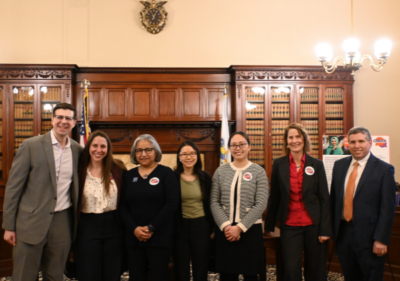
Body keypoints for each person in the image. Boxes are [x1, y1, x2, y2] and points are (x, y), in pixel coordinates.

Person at [2, 103, 83, 281]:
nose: (63, 121)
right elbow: (14, 187)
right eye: (59, 117)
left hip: (62, 223)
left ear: (74, 122)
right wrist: (9, 226)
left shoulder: (78, 150)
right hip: (30, 222)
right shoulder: (30, 146)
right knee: (24, 275)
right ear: (52, 119)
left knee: (55, 275)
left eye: (68, 118)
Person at [264, 123, 332, 281]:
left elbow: (324, 198)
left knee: (315, 269)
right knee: (291, 269)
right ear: (286, 141)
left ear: (304, 139)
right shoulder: (279, 164)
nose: (294, 140)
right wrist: (269, 226)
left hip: (314, 225)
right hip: (289, 225)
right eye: (291, 137)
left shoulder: (317, 164)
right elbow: (274, 197)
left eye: (298, 137)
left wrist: (325, 229)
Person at [330, 126, 396, 281]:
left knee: (371, 277)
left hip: (370, 237)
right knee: (350, 276)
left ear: (370, 142)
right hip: (343, 234)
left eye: (361, 141)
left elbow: (388, 208)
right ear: (348, 145)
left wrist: (381, 239)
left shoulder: (384, 170)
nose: (356, 145)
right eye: (352, 142)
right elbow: (334, 200)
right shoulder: (339, 166)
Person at [119, 134, 179, 281]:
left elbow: (171, 204)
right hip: (135, 238)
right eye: (139, 150)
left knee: (159, 276)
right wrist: (135, 229)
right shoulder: (128, 176)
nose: (143, 154)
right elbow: (122, 206)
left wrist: (151, 227)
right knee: (136, 276)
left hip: (159, 236)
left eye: (148, 150)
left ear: (156, 151)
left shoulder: (166, 173)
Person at [210, 131, 268, 281]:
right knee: (227, 275)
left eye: (242, 144)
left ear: (249, 147)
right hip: (226, 231)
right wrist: (227, 226)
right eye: (234, 145)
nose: (238, 148)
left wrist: (240, 227)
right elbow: (214, 202)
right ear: (229, 148)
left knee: (250, 275)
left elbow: (261, 203)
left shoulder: (258, 171)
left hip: (250, 231)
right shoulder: (220, 171)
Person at [75, 130, 126, 281]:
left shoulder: (118, 169)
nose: (99, 150)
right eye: (95, 145)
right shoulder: (78, 170)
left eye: (103, 146)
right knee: (89, 273)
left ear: (108, 149)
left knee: (112, 273)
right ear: (88, 147)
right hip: (87, 228)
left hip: (114, 227)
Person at [173, 140, 214, 281]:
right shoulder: (173, 177)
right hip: (180, 227)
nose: (188, 157)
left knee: (201, 267)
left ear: (197, 156)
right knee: (181, 268)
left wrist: (212, 228)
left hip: (201, 226)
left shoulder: (205, 177)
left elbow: (209, 204)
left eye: (192, 153)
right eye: (184, 154)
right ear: (179, 157)